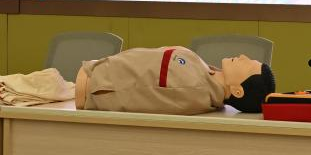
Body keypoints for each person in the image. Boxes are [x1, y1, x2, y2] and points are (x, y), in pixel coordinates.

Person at [74, 47, 275, 114]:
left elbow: (138, 92)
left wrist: (96, 83)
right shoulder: (204, 76)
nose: (243, 56)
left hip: (93, 84)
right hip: (94, 73)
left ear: (238, 90)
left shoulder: (194, 88)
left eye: (248, 65)